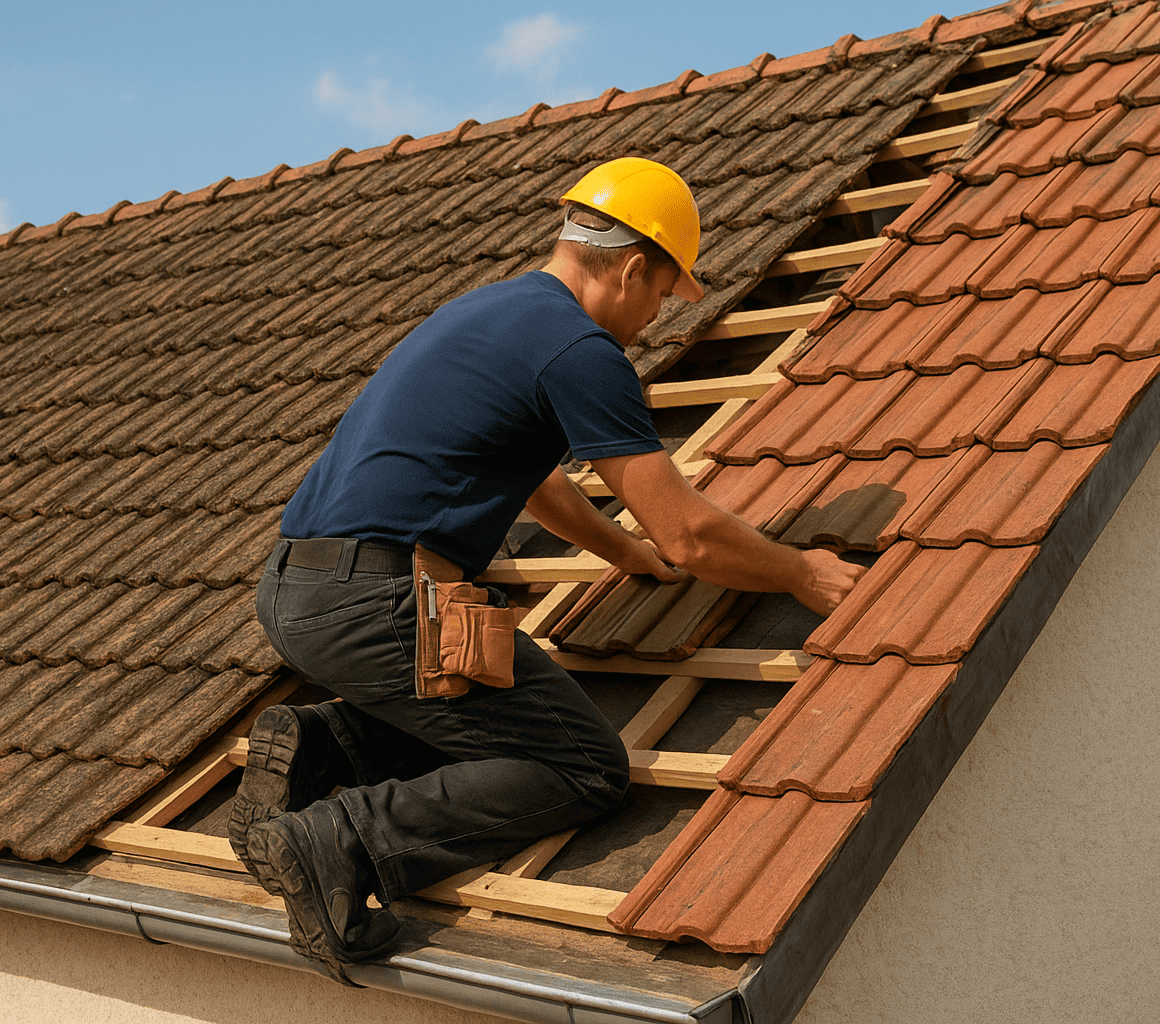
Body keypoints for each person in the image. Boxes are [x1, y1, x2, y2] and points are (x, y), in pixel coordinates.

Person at [232, 157, 863, 979]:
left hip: (295, 592)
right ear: (634, 268)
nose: (650, 324)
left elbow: (538, 480)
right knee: (581, 766)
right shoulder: (578, 347)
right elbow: (694, 536)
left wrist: (623, 552)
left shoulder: (493, 310)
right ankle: (336, 839)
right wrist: (798, 573)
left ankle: (323, 746)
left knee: (484, 727)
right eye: (662, 298)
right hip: (379, 602)